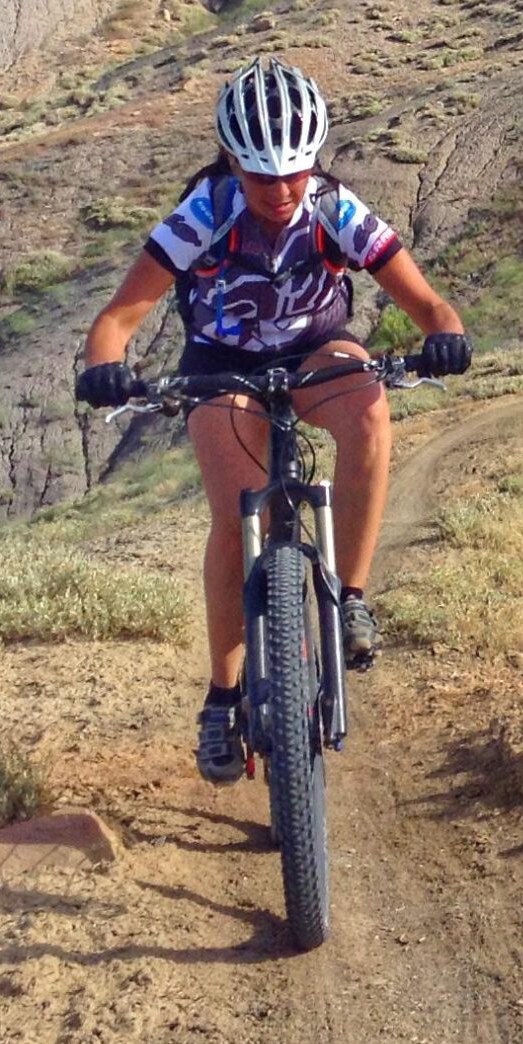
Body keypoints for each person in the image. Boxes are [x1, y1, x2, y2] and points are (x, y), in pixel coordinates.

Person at [74, 55, 471, 785]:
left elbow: (425, 301)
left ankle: (351, 597)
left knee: (369, 414)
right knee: (236, 516)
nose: (282, 190)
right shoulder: (203, 214)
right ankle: (223, 699)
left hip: (317, 348)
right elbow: (119, 318)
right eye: (262, 176)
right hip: (221, 363)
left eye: (295, 170)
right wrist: (104, 365)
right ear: (231, 162)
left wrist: (444, 333)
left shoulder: (332, 208)